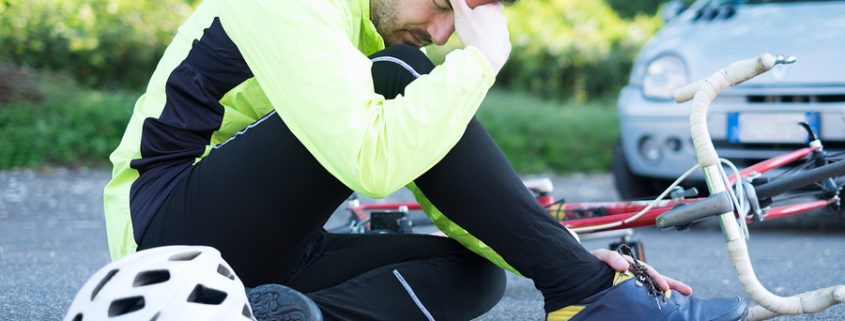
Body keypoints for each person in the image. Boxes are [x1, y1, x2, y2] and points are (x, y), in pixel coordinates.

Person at [101, 0, 748, 320]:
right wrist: (481, 59)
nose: (442, 32)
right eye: (443, 4)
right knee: (398, 75)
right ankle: (590, 301)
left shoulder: (365, 31)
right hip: (166, 233)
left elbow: (428, 166)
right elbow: (373, 161)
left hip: (269, 257)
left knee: (474, 272)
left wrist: (558, 249)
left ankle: (295, 317)